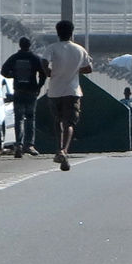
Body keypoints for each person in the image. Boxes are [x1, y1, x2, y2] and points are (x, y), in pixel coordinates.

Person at [40, 20, 92, 172]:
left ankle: (59, 149)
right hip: (73, 91)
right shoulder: (79, 49)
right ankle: (64, 150)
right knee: (69, 123)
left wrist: (48, 72)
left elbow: (43, 61)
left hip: (55, 91)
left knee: (57, 121)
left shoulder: (52, 48)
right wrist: (75, 71)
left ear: (57, 33)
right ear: (72, 33)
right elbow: (89, 68)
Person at [1, 37, 47, 158]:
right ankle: (29, 145)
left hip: (19, 91)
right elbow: (43, 73)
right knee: (30, 118)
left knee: (19, 119)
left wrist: (14, 75)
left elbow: (3, 71)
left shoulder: (14, 58)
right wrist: (39, 86)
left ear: (20, 45)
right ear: (30, 45)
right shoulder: (35, 58)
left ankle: (19, 146)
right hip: (31, 91)